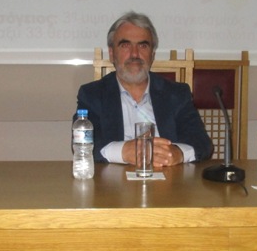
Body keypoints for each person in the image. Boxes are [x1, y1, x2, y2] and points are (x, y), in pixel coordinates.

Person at [77, 12, 213, 166]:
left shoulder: (176, 94)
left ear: (152, 54)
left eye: (143, 46)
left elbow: (202, 143)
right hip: (114, 179)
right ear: (112, 53)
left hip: (168, 178)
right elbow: (83, 144)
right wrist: (124, 151)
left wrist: (178, 153)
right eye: (125, 45)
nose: (135, 54)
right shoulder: (92, 95)